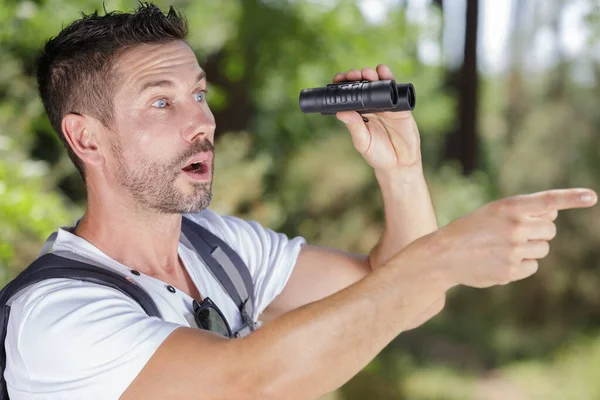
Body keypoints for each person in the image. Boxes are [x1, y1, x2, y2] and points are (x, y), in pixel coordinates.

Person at [2, 3, 597, 400]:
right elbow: (249, 381)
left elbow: (402, 298)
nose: (202, 122)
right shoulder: (55, 317)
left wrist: (401, 171)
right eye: (162, 103)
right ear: (87, 138)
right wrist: (442, 255)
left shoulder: (220, 245)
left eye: (200, 94)